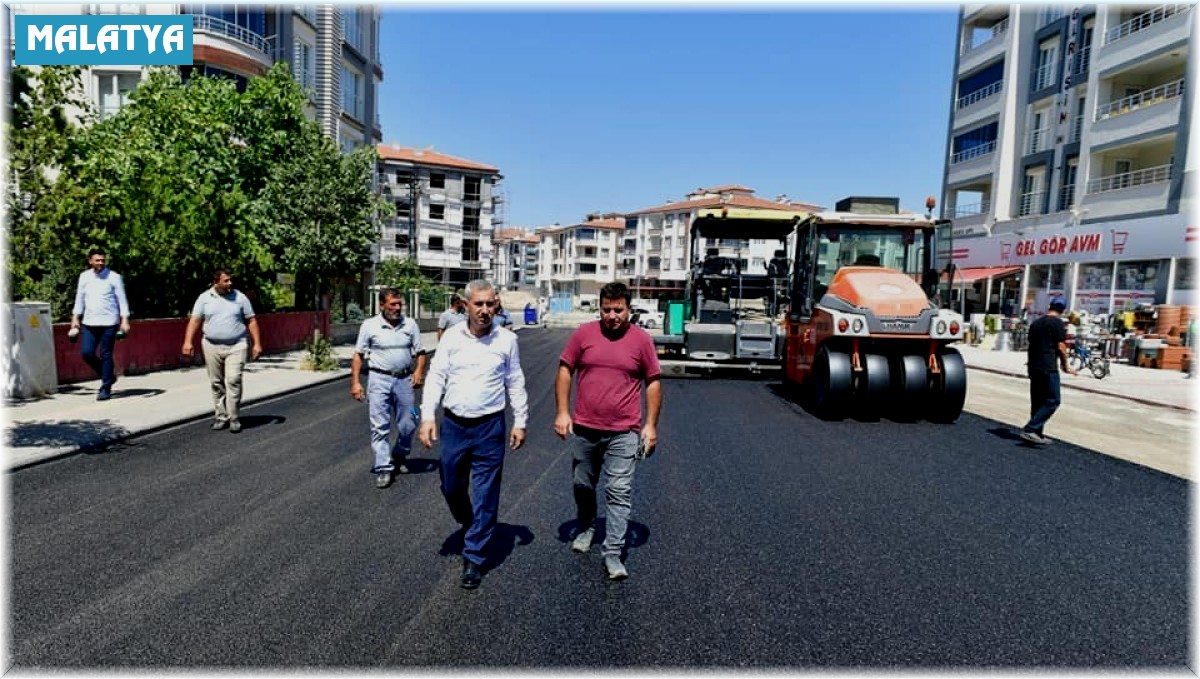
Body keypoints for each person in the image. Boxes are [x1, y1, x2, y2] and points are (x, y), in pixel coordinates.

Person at [419, 279, 528, 590]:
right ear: (465, 305)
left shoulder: (506, 340)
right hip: (454, 425)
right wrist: (428, 416)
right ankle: (471, 523)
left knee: (485, 493)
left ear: (497, 305)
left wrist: (520, 420)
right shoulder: (452, 338)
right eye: (478, 304)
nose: (484, 310)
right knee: (451, 485)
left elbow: (515, 381)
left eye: (489, 304)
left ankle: (474, 557)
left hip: (489, 428)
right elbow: (436, 376)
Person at [555, 281, 662, 581]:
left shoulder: (641, 340)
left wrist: (650, 425)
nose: (612, 316)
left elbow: (653, 382)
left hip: (624, 432)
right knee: (583, 485)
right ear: (599, 308)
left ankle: (613, 552)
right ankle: (587, 525)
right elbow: (565, 370)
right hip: (585, 429)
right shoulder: (583, 335)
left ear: (629, 309)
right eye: (606, 310)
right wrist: (563, 411)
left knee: (618, 491)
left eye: (619, 310)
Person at [351, 287, 428, 489]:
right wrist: (356, 382)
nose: (397, 308)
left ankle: (400, 454)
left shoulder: (410, 324)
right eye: (393, 304)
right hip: (378, 380)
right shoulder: (369, 326)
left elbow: (420, 352)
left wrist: (419, 371)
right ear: (382, 305)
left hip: (404, 380)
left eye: (399, 304)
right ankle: (384, 467)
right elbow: (358, 355)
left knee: (409, 422)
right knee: (379, 426)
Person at [181, 269, 263, 433]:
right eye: (226, 281)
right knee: (216, 383)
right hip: (211, 345)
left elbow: (251, 321)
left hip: (237, 345)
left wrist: (257, 344)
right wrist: (188, 342)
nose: (230, 283)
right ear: (216, 282)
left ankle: (234, 418)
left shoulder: (240, 297)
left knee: (233, 379)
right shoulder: (204, 298)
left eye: (230, 280)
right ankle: (221, 416)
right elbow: (195, 320)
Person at [70, 248, 130, 401]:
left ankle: (105, 387)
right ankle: (108, 375)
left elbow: (122, 300)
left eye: (103, 260)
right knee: (87, 353)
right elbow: (80, 298)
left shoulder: (114, 277)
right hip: (89, 322)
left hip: (109, 322)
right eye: (97, 260)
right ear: (90, 261)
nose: (100, 263)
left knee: (105, 354)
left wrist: (125, 320)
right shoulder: (84, 277)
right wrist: (75, 318)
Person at [1020, 298, 1076, 445]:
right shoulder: (1057, 323)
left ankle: (1035, 434)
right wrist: (1066, 365)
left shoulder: (1036, 323)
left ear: (1049, 305)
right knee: (1053, 400)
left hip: (1034, 366)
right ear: (1063, 310)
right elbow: (1061, 347)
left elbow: (1031, 344)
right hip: (1048, 367)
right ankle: (1031, 429)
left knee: (1037, 401)